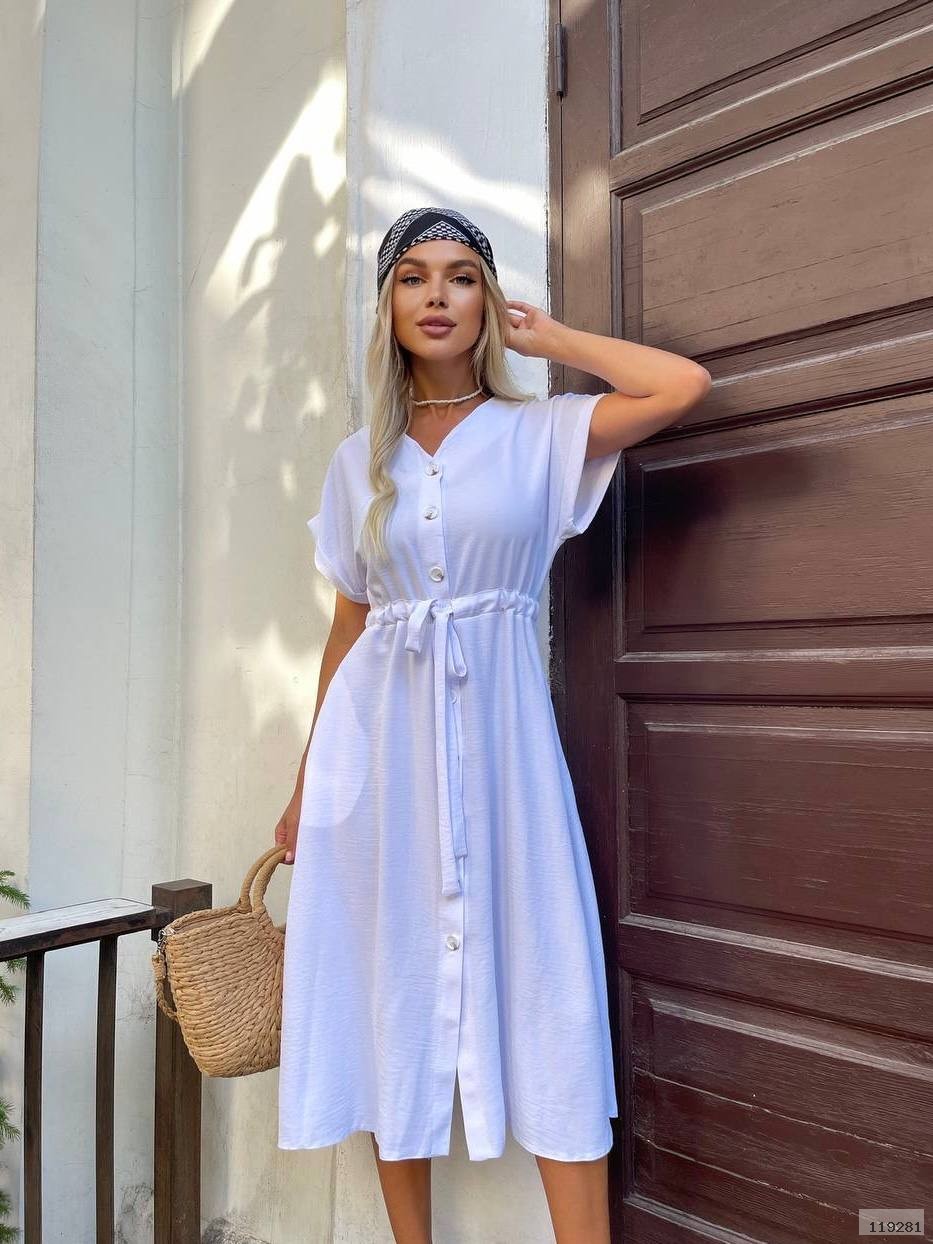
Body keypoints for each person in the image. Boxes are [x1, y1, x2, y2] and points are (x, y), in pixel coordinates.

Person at [274, 206, 711, 1243]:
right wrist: (304, 785)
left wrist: (549, 339)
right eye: (412, 277)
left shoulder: (538, 433)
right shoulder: (357, 462)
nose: (436, 295)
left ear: (486, 301)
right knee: (388, 988)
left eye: (461, 276)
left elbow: (680, 386)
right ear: (386, 307)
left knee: (547, 981)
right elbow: (348, 627)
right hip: (379, 764)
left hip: (507, 757)